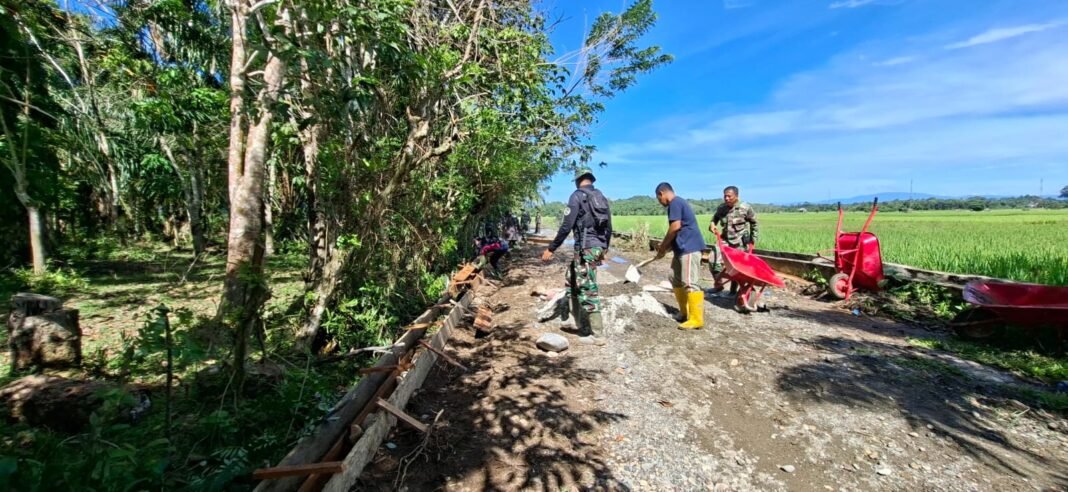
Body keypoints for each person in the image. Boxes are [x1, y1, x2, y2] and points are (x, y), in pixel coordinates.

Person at [541, 167, 612, 345]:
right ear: (591, 179)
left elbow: (566, 226)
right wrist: (604, 249)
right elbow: (609, 226)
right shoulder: (601, 197)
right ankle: (575, 320)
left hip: (585, 249)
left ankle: (598, 335)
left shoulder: (577, 196)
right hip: (594, 247)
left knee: (588, 288)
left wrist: (552, 248)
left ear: (578, 180)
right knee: (571, 278)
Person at [654, 183, 707, 330]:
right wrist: (665, 248)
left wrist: (664, 246)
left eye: (659, 199)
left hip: (689, 249)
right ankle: (684, 313)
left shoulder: (675, 203)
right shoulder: (677, 204)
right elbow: (679, 232)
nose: (661, 203)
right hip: (681, 250)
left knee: (690, 282)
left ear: (661, 193)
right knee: (674, 278)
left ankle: (696, 319)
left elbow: (675, 227)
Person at [709, 185, 760, 294]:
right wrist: (712, 224)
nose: (727, 198)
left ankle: (733, 291)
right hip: (724, 240)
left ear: (736, 196)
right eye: (725, 196)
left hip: (740, 242)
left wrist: (753, 239)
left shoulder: (745, 208)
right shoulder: (722, 208)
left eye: (729, 196)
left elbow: (754, 223)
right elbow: (715, 218)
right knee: (712, 259)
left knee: (737, 268)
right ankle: (719, 285)